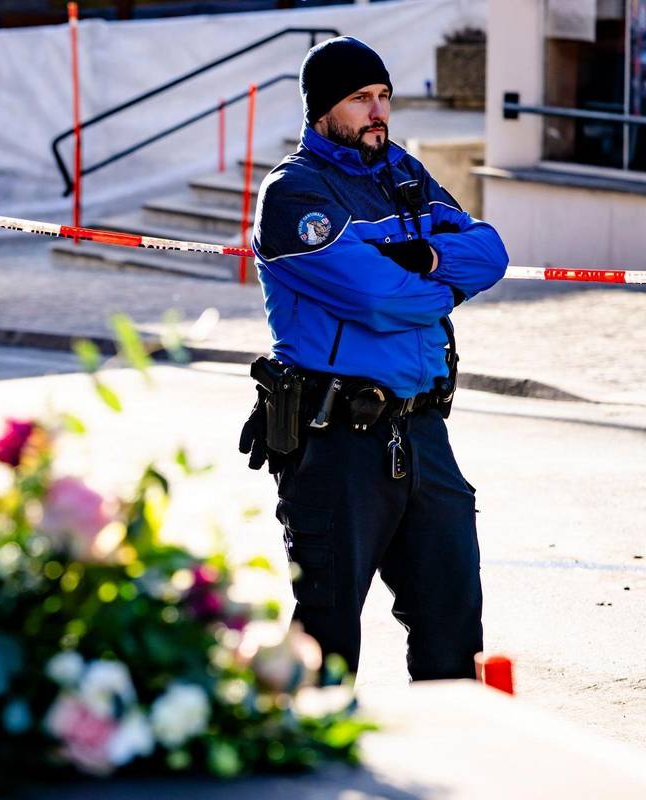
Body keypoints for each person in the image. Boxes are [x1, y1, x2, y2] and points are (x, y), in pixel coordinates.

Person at [238, 36, 508, 680]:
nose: (377, 111)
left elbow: (491, 251)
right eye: (360, 99)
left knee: (454, 624)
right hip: (338, 444)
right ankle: (316, 775)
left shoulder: (404, 174)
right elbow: (378, 299)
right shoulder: (294, 194)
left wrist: (433, 260)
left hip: (422, 431)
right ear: (322, 110)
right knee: (327, 638)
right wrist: (444, 286)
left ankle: (460, 763)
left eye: (383, 96)